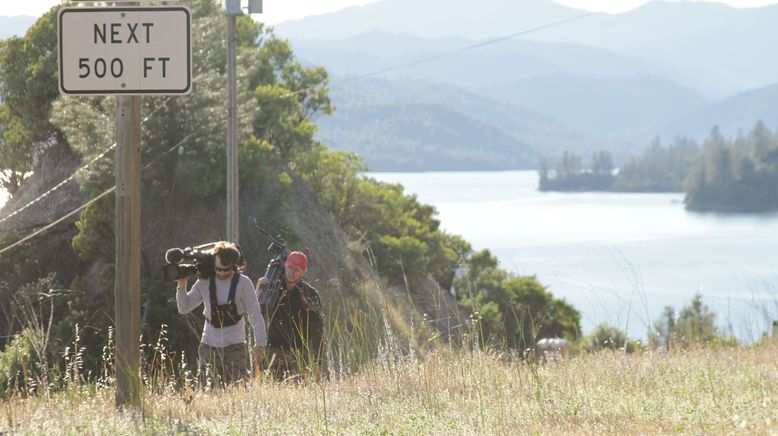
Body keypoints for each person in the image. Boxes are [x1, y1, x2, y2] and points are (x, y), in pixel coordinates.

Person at [176, 241, 266, 385]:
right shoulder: (203, 282)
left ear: (234, 265)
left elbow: (255, 314)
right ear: (213, 265)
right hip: (209, 345)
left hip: (235, 347)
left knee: (237, 390)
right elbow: (183, 308)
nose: (222, 273)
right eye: (218, 269)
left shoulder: (243, 283)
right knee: (207, 390)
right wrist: (181, 285)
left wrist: (260, 344)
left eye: (226, 269)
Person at [256, 250, 325, 379]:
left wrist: (318, 362)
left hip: (299, 353)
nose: (292, 272)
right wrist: (258, 289)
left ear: (303, 272)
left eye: (297, 270)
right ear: (285, 266)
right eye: (290, 267)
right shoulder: (271, 289)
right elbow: (256, 316)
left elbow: (318, 329)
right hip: (273, 350)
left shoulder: (309, 294)